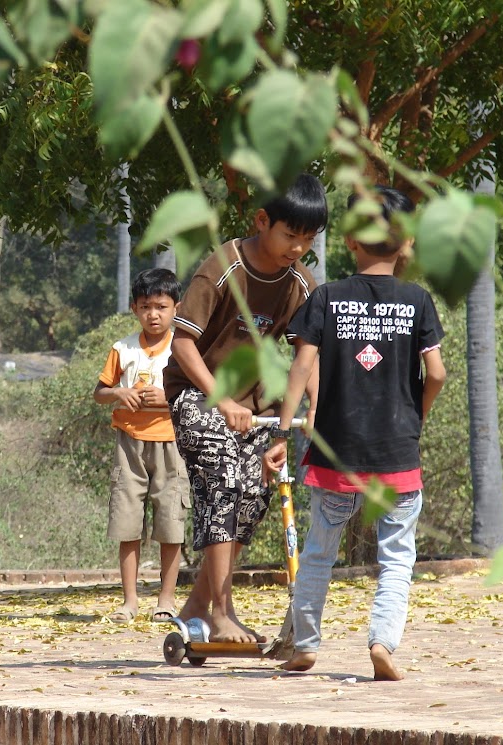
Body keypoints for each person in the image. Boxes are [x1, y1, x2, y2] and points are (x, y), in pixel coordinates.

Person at [265, 186, 447, 681]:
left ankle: (304, 644)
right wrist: (417, 417)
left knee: (318, 553)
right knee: (396, 559)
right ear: (406, 242)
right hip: (396, 454)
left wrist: (280, 433)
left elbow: (302, 368)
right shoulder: (417, 301)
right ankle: (383, 643)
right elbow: (436, 374)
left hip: (333, 455)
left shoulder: (325, 297)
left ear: (350, 240)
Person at [163, 174, 327, 643]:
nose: (297, 248)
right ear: (261, 221)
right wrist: (223, 400)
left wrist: (312, 405)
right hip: (195, 394)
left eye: (307, 240)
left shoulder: (300, 283)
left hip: (255, 407)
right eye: (289, 236)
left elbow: (306, 352)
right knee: (223, 476)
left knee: (253, 494)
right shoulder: (224, 265)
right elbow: (182, 344)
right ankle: (220, 609)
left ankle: (197, 607)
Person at [94, 268, 190, 623]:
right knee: (127, 523)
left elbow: (201, 395)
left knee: (170, 523)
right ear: (134, 308)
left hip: (172, 443)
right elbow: (100, 392)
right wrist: (119, 393)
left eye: (161, 307)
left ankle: (166, 600)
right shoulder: (123, 349)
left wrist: (168, 398)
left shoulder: (184, 348)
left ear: (175, 308)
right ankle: (130, 601)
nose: (154, 314)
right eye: (146, 306)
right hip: (129, 444)